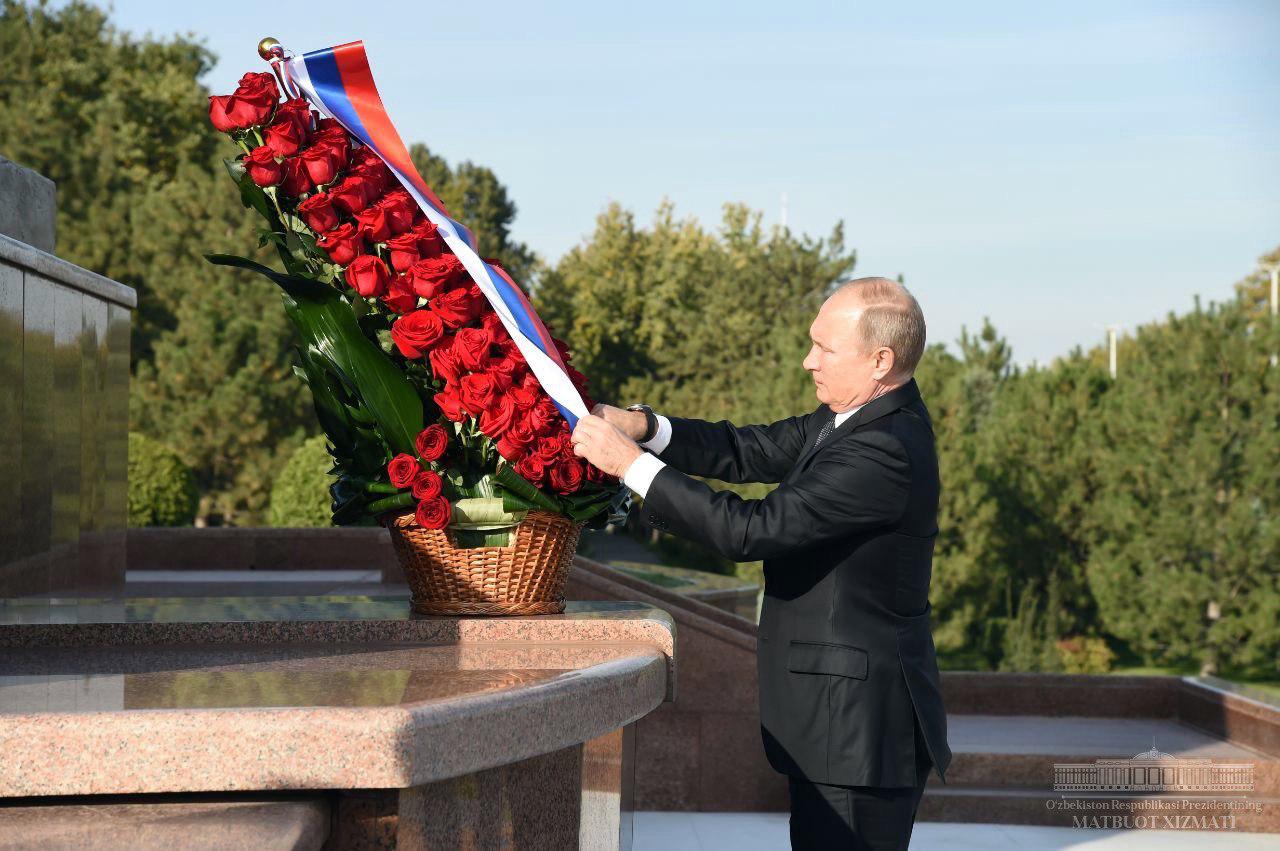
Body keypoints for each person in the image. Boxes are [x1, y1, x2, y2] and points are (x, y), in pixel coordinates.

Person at [570, 276, 951, 850]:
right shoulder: (848, 417)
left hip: (858, 732)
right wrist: (646, 429)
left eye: (825, 348)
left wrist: (630, 467)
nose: (808, 361)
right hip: (836, 724)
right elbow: (746, 449)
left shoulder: (884, 449)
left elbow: (749, 531)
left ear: (880, 360)